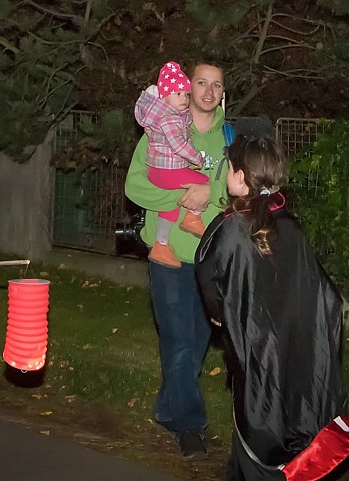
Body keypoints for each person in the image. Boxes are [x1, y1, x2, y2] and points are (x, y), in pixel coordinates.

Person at [192, 134, 348, 481]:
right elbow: (325, 295)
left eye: (230, 167)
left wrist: (224, 319)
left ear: (241, 177)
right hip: (296, 356)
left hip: (262, 362)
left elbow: (210, 280)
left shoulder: (231, 229)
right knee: (252, 428)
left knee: (269, 449)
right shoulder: (289, 226)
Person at [125, 61, 228, 460]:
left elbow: (242, 191)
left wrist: (211, 195)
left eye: (216, 85)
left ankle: (167, 409)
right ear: (188, 87)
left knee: (198, 342)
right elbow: (135, 185)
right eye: (201, 82)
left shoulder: (230, 140)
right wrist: (182, 197)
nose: (208, 91)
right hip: (167, 257)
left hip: (210, 258)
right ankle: (190, 425)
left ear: (222, 94)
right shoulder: (160, 126)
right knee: (178, 341)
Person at [134, 61, 212, 268]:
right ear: (165, 95)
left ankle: (161, 245)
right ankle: (193, 217)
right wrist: (196, 158)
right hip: (167, 171)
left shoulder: (165, 117)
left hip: (160, 171)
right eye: (178, 94)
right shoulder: (169, 118)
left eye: (186, 94)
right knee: (203, 180)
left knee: (170, 206)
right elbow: (178, 144)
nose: (184, 99)